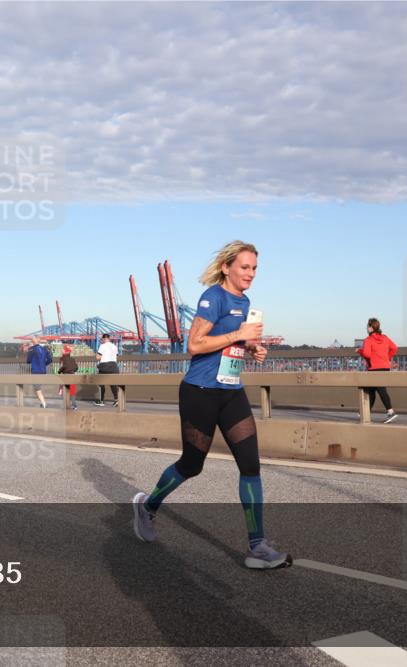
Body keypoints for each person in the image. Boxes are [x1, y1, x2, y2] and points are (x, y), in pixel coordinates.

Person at [132, 241, 291, 570]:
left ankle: (257, 545)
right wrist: (238, 335)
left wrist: (252, 349)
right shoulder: (213, 297)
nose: (250, 274)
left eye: (255, 268)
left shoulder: (244, 301)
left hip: (231, 391)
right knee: (191, 465)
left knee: (250, 465)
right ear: (226, 267)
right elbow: (195, 344)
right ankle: (148, 507)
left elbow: (233, 341)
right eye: (245, 267)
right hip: (200, 392)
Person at [358, 317, 399, 423]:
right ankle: (365, 412)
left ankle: (391, 412)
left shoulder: (368, 340)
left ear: (371, 328)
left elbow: (367, 354)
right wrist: (387, 358)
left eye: (367, 326)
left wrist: (359, 351)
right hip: (385, 367)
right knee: (371, 390)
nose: (366, 328)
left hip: (374, 368)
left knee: (380, 390)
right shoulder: (385, 338)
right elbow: (394, 348)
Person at [25, 336, 52, 408]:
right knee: (38, 388)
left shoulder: (31, 349)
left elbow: (28, 361)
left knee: (37, 388)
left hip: (36, 371)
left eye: (32, 339)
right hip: (43, 371)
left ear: (33, 341)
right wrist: (44, 364)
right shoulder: (44, 349)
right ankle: (42, 402)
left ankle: (44, 403)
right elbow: (50, 360)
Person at [95, 333, 120, 407]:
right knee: (113, 384)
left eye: (102, 339)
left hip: (105, 366)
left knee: (101, 383)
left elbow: (98, 357)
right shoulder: (115, 346)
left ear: (103, 339)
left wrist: (97, 355)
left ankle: (101, 400)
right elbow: (116, 357)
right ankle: (116, 400)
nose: (101, 341)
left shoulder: (102, 346)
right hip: (114, 366)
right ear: (109, 339)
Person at [58, 344, 79, 410]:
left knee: (64, 389)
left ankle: (65, 404)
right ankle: (74, 405)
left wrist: (59, 371)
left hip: (66, 376)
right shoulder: (73, 359)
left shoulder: (62, 359)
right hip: (72, 376)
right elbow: (76, 367)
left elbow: (62, 367)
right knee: (72, 392)